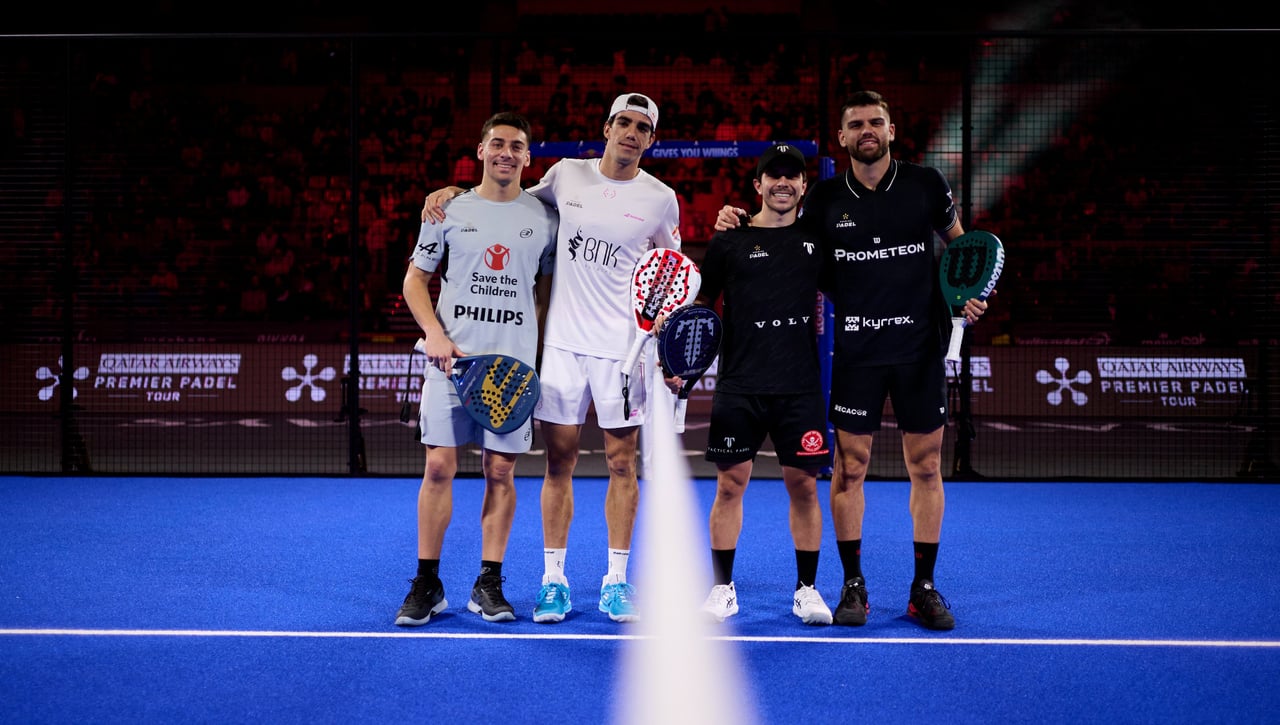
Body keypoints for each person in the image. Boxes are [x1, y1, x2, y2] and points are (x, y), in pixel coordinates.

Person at [716, 91, 990, 631]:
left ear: (892, 129)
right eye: (856, 125)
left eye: (876, 122)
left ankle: (923, 587)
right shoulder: (821, 199)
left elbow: (962, 251)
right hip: (858, 352)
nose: (868, 131)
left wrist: (968, 291)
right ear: (841, 138)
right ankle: (853, 584)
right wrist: (736, 218)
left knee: (928, 467)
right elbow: (780, 228)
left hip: (918, 349)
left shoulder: (925, 184)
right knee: (850, 469)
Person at [421, 93, 681, 623]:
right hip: (561, 345)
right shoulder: (565, 176)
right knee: (557, 463)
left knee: (621, 464)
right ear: (606, 127)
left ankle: (615, 581)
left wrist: (662, 346)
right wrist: (452, 193)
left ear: (651, 140)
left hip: (622, 353)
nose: (631, 134)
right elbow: (507, 199)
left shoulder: (661, 199)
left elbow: (671, 272)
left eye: (642, 128)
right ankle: (553, 582)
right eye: (623, 124)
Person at [395, 111, 557, 626]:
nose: (507, 153)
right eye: (498, 144)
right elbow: (415, 281)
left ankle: (489, 581)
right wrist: (434, 335)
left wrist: (536, 347)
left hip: (510, 374)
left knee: (500, 471)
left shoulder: (545, 220)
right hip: (451, 365)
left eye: (517, 146)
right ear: (481, 151)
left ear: (528, 158)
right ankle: (427, 582)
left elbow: (547, 292)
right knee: (439, 467)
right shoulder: (446, 209)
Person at [693, 143, 833, 625]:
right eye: (772, 177)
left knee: (805, 488)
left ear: (803, 186)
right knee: (730, 485)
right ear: (757, 185)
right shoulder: (728, 241)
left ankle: (808, 590)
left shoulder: (817, 240)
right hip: (740, 385)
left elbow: (860, 287)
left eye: (792, 177)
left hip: (799, 387)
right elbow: (702, 305)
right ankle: (722, 588)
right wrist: (683, 364)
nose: (782, 184)